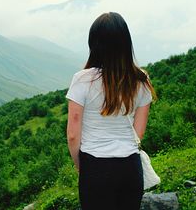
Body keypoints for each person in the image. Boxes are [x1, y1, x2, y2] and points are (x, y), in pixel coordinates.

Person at [66, 12, 156, 210]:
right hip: (130, 168)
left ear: (94, 43)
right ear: (125, 43)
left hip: (95, 166)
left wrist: (80, 166)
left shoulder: (82, 79)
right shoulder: (141, 80)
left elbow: (73, 135)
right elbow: (138, 133)